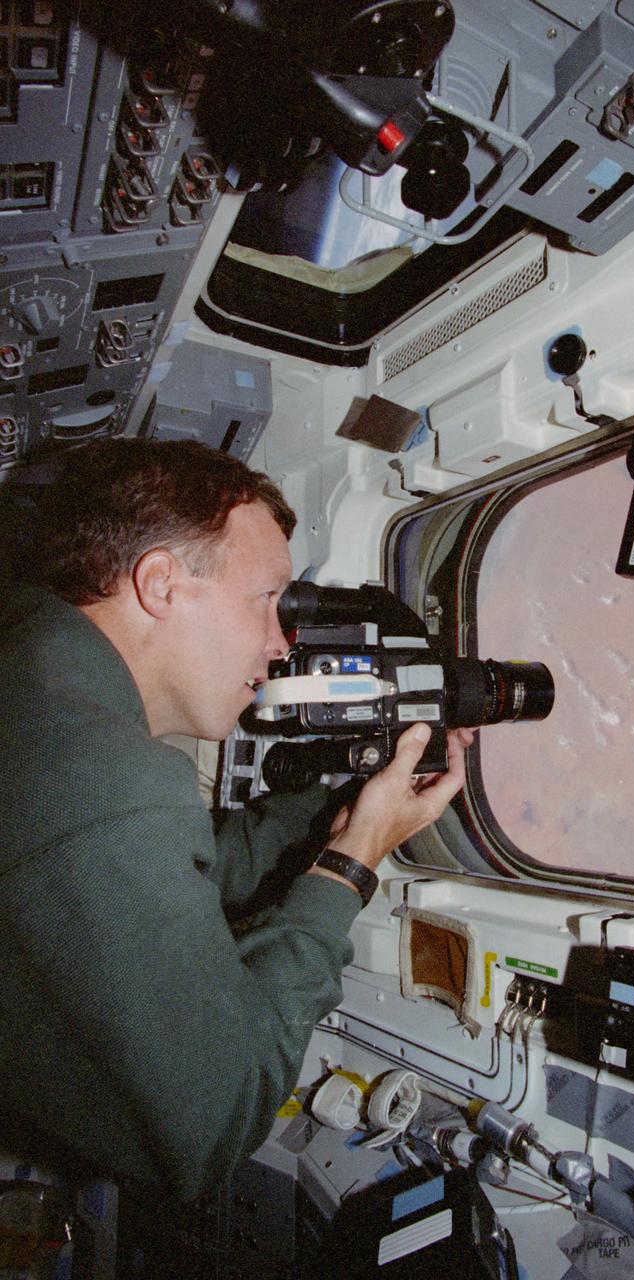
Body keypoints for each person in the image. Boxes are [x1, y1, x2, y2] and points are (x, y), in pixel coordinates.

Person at [0, 436, 471, 1205]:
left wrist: (349, 799)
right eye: (266, 600)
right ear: (162, 584)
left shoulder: (42, 700)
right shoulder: (112, 776)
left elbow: (181, 874)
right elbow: (218, 1123)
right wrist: (350, 864)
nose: (280, 643)